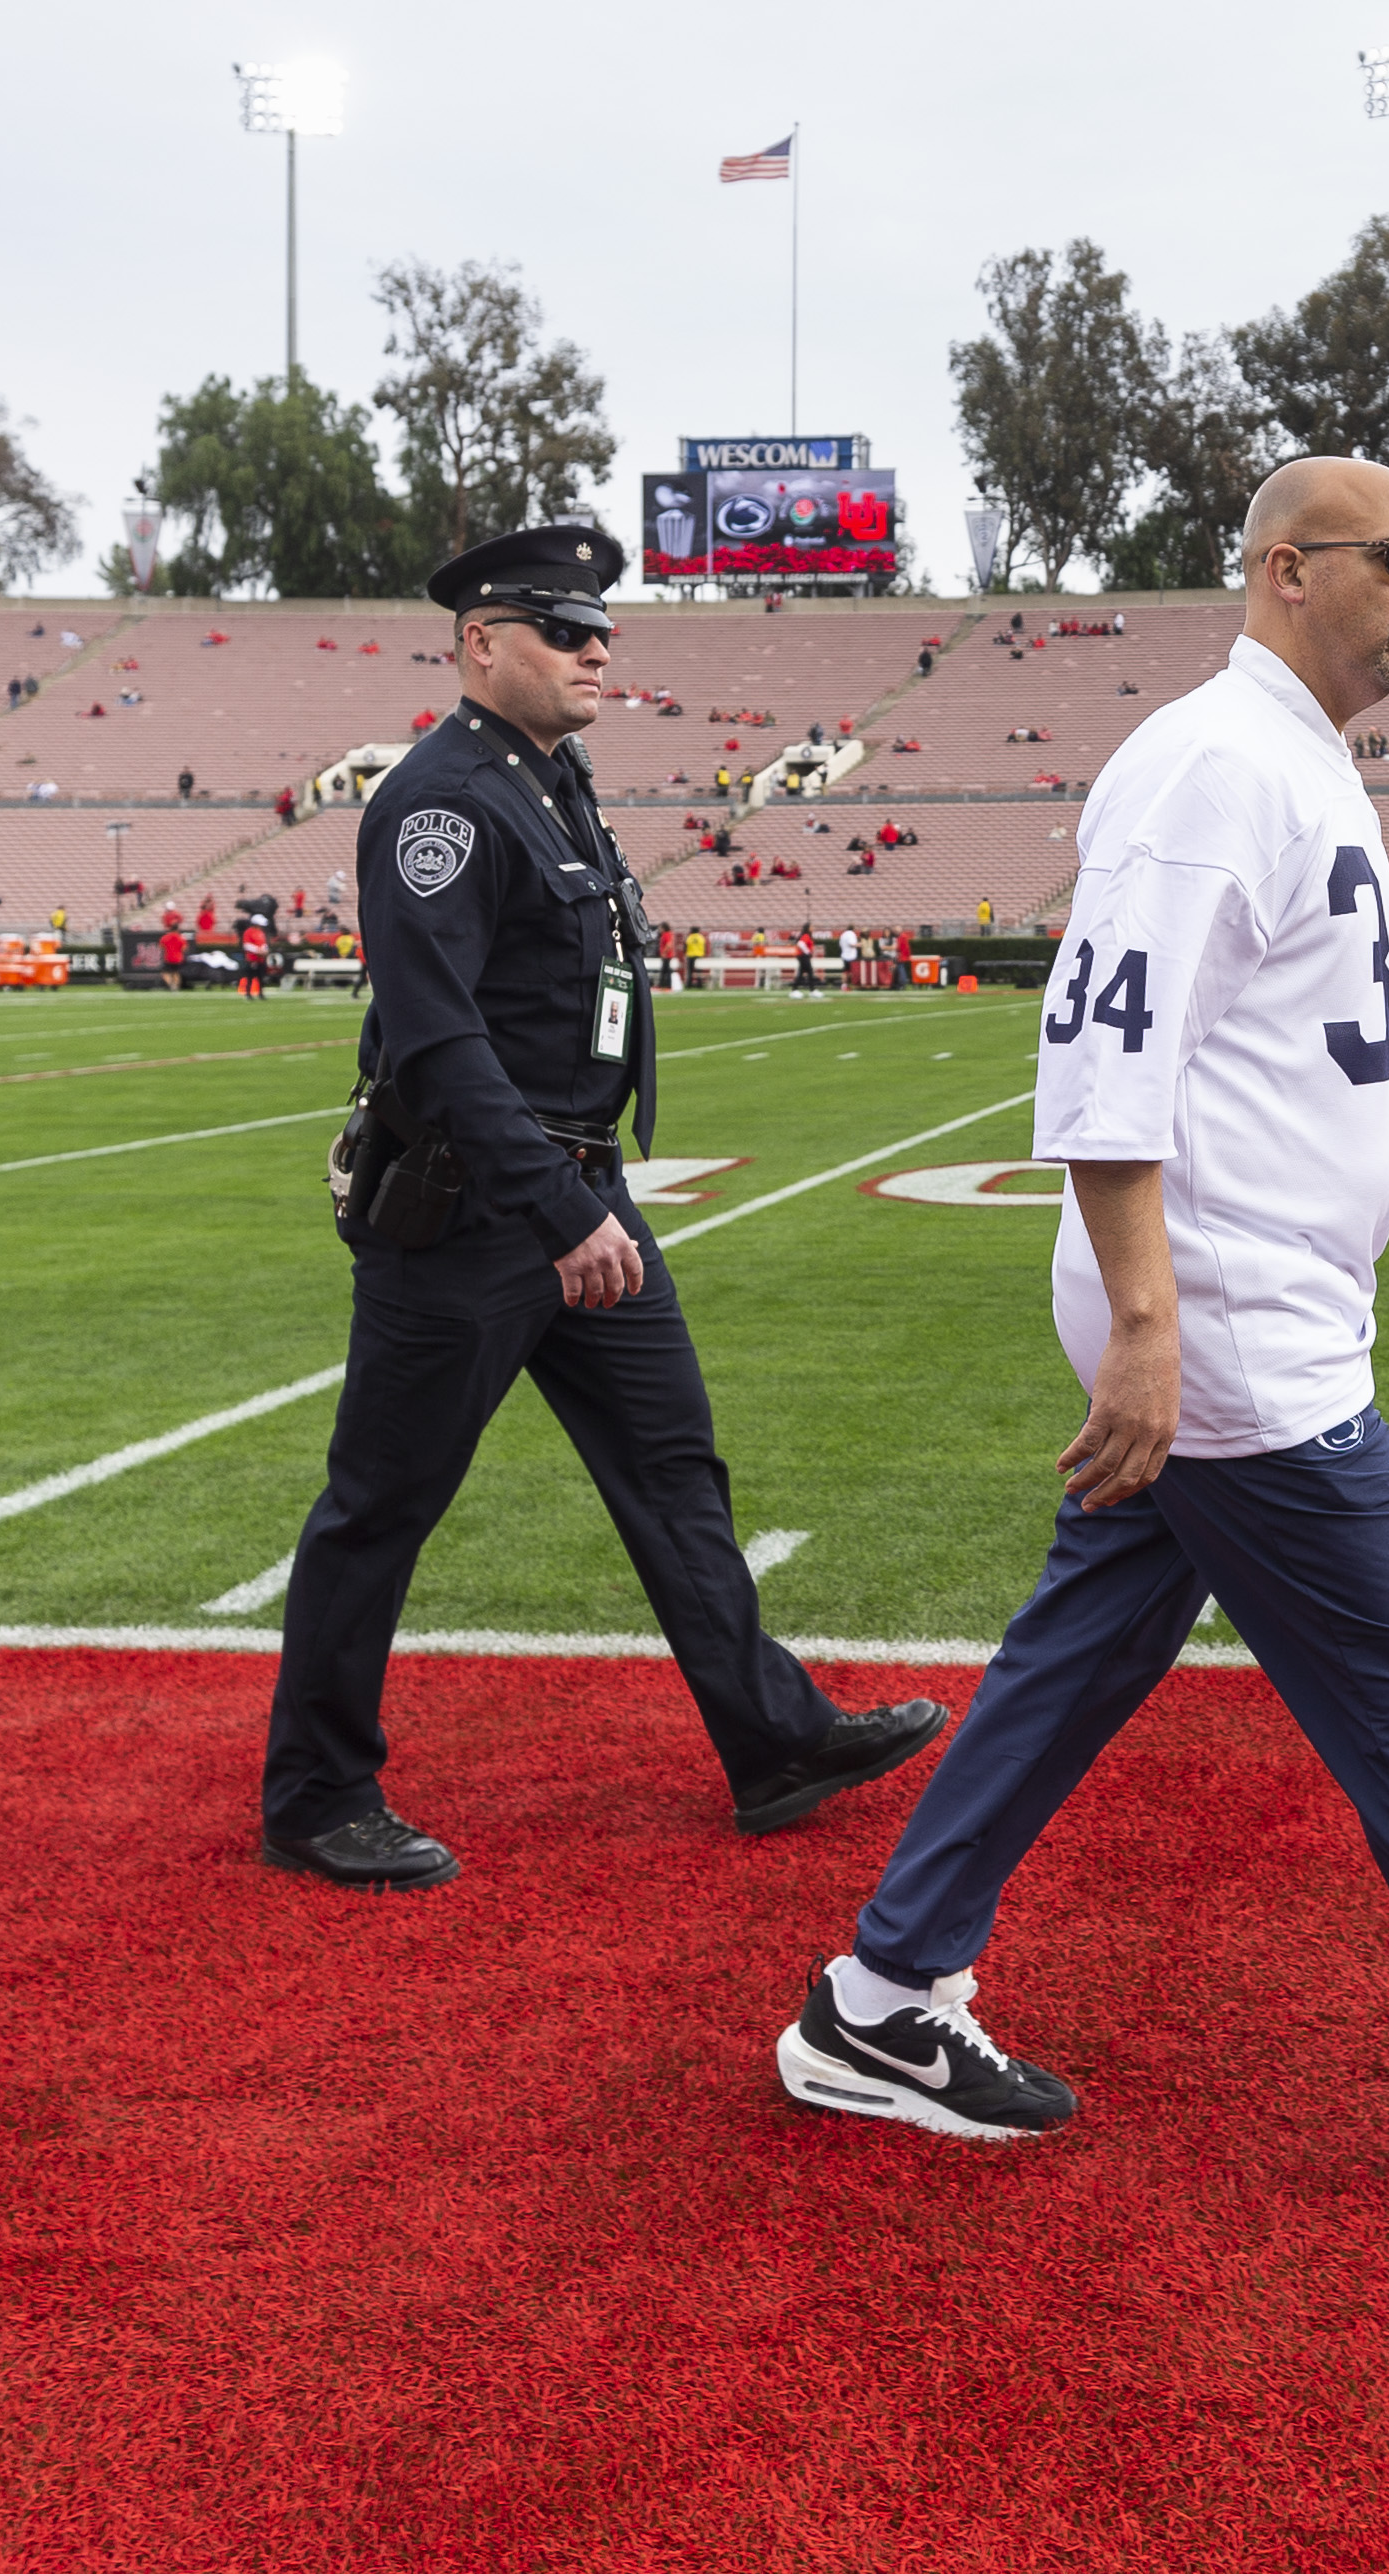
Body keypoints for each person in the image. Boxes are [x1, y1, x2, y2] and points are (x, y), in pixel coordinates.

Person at [765, 456, 1389, 2198]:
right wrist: (1154, 1322)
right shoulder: (1213, 764)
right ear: (1286, 568)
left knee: (1088, 1645)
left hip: (1242, 1300)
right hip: (1230, 1317)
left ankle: (881, 1995)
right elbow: (1098, 1064)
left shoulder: (1290, 761)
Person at [262, 526, 944, 1892]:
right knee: (381, 1503)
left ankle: (775, 1741)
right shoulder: (441, 802)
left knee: (674, 1468)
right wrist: (560, 1214)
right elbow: (440, 1040)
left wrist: (589, 1199)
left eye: (600, 630)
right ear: (481, 644)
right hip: (473, 1213)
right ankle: (316, 1790)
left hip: (580, 1190)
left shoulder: (551, 782)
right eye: (562, 628)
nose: (595, 649)